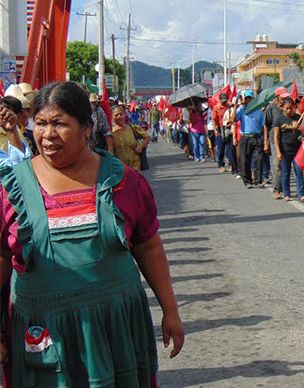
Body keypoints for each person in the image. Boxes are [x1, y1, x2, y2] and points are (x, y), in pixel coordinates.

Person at [0, 81, 184, 386]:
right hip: (42, 335)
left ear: (87, 128)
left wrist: (171, 311)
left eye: (60, 123)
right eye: (41, 123)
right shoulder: (11, 189)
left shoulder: (125, 183)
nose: (47, 135)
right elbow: (3, 257)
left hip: (115, 331)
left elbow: (148, 247)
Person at [273, 97, 304, 202]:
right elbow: (276, 137)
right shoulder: (279, 119)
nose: (289, 110)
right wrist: (278, 152)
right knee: (285, 172)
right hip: (285, 150)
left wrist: (298, 127)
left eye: (291, 108)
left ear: (294, 107)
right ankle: (286, 194)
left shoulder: (298, 117)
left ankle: (301, 194)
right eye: (287, 108)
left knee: (299, 172)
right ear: (283, 108)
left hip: (297, 150)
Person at [235, 90, 265, 188]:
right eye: (247, 98)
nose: (249, 100)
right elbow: (232, 120)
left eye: (250, 98)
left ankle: (258, 180)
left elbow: (263, 125)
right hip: (245, 137)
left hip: (257, 137)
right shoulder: (241, 110)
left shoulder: (259, 111)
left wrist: (265, 139)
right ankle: (247, 180)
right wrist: (235, 106)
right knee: (245, 160)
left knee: (258, 160)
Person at [264, 87, 288, 198]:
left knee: (286, 164)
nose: (284, 99)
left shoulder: (288, 107)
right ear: (277, 97)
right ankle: (277, 189)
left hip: (286, 139)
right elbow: (266, 125)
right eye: (282, 97)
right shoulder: (270, 108)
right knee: (277, 164)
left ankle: (285, 189)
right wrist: (265, 142)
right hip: (274, 140)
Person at [111, 105, 150, 171]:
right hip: (120, 169)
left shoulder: (132, 128)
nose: (119, 117)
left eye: (121, 114)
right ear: (112, 117)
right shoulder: (110, 133)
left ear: (125, 115)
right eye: (116, 115)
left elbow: (147, 137)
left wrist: (141, 146)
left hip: (135, 166)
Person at [212, 93, 230, 171]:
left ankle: (230, 164)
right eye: (222, 100)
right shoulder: (216, 108)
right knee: (220, 149)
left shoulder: (228, 106)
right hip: (220, 129)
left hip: (228, 128)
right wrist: (215, 130)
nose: (224, 102)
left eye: (225, 100)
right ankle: (221, 165)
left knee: (229, 148)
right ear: (219, 100)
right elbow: (214, 120)